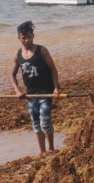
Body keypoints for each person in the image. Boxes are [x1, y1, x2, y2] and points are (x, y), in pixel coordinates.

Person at [9, 21, 61, 153]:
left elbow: (53, 70)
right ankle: (42, 152)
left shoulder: (41, 50)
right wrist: (17, 91)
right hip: (30, 95)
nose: (26, 40)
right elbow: (12, 75)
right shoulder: (18, 55)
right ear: (19, 38)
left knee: (45, 122)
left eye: (29, 37)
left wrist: (56, 88)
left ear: (33, 36)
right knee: (36, 125)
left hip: (45, 93)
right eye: (23, 38)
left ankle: (51, 148)